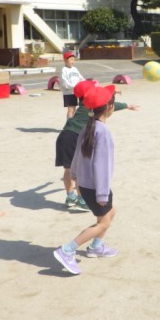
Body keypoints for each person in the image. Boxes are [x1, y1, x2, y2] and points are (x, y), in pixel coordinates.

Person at [54, 85, 120, 275]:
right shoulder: (103, 132)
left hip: (85, 184)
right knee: (103, 223)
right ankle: (67, 250)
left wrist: (74, 174)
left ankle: (96, 246)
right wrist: (102, 194)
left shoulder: (88, 127)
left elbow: (77, 155)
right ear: (110, 108)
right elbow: (102, 165)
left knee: (111, 211)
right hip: (96, 186)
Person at [56, 79, 139, 211]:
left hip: (65, 135)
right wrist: (126, 105)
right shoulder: (91, 107)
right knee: (80, 169)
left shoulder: (84, 104)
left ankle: (70, 196)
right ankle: (81, 199)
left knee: (68, 169)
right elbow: (108, 104)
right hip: (75, 136)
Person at [61, 51, 85, 119]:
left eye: (73, 60)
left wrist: (86, 82)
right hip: (69, 92)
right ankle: (69, 123)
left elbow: (81, 78)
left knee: (74, 109)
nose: (73, 61)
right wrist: (75, 85)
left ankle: (71, 122)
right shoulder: (64, 70)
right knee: (71, 109)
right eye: (71, 59)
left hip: (76, 92)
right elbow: (65, 83)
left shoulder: (75, 69)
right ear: (65, 60)